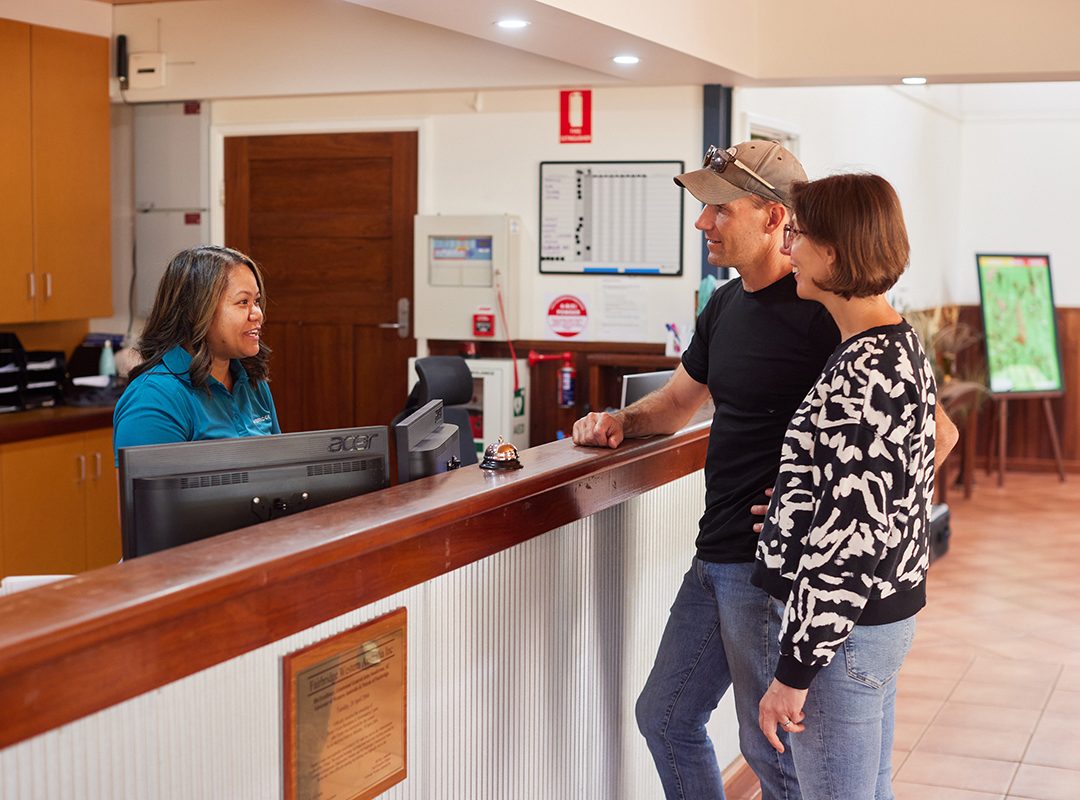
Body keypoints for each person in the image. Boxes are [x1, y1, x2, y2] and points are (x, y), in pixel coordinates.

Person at [573, 140, 838, 800]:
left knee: (773, 754)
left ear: (775, 217)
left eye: (719, 210)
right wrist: (618, 422)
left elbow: (911, 441)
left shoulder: (824, 311)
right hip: (717, 557)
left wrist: (820, 505)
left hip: (770, 573)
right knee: (664, 717)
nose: (703, 225)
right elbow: (675, 406)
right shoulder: (725, 304)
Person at [753, 173, 942, 800]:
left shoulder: (865, 373)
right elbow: (877, 493)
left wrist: (794, 673)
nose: (788, 250)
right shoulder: (894, 343)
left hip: (841, 636)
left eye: (798, 237)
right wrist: (791, 518)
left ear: (833, 252)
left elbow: (853, 541)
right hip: (871, 620)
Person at [113, 245, 280, 463]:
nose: (257, 314)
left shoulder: (252, 382)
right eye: (243, 302)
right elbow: (146, 497)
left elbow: (281, 475)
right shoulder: (154, 398)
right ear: (197, 312)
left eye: (256, 301)